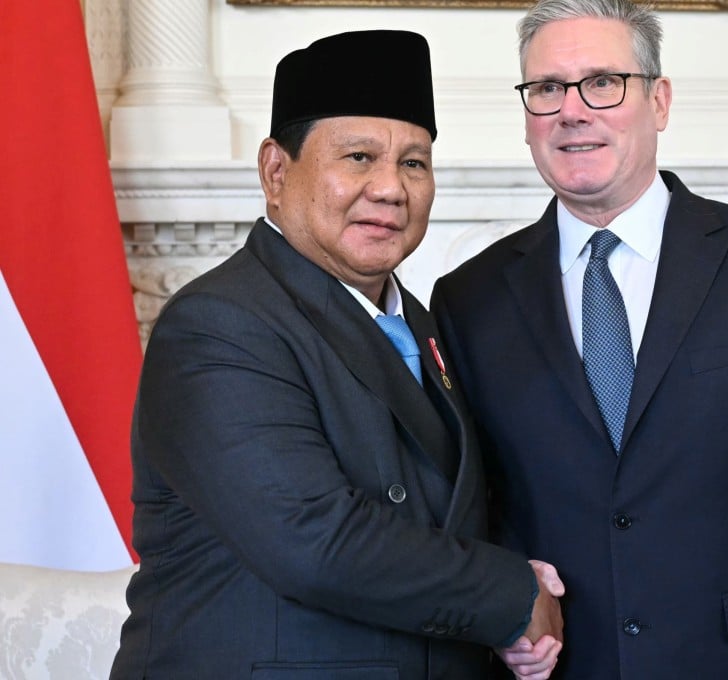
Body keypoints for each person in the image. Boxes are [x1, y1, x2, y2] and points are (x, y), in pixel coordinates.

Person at [429, 0, 728, 677]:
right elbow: (473, 518)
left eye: (603, 82)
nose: (572, 111)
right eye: (547, 89)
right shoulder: (468, 299)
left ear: (659, 100)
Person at [110, 30, 564, 680]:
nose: (390, 189)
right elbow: (313, 541)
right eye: (357, 157)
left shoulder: (428, 324)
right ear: (275, 171)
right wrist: (511, 595)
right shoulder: (220, 324)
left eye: (414, 163)